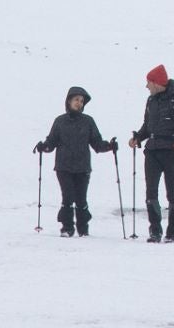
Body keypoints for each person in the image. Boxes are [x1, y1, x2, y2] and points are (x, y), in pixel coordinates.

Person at [33, 85, 118, 237]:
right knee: (67, 197)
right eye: (76, 100)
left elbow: (97, 143)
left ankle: (83, 228)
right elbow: (51, 142)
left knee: (81, 199)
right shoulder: (60, 121)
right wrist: (43, 147)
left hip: (82, 167)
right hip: (63, 166)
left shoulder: (88, 121)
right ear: (69, 101)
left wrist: (109, 146)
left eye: (82, 101)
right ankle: (67, 228)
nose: (79, 103)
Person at [128, 63, 174, 243]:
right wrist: (138, 138)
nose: (147, 86)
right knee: (151, 192)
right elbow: (147, 126)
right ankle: (155, 231)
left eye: (148, 82)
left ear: (157, 83)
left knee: (172, 193)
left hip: (171, 151)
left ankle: (173, 232)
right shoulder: (151, 101)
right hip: (152, 151)